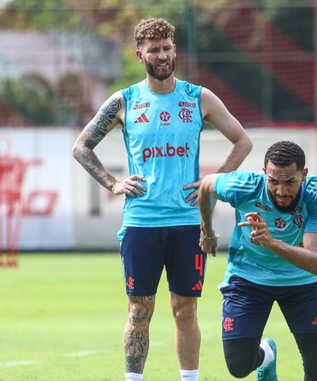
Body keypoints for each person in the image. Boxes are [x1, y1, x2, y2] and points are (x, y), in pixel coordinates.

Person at [72, 18, 253, 381]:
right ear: (141, 55)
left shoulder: (198, 97)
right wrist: (113, 184)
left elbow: (243, 141)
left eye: (167, 47)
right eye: (154, 49)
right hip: (141, 222)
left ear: (175, 50)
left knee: (185, 310)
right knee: (139, 311)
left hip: (188, 222)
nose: (162, 55)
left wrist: (213, 183)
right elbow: (81, 147)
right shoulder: (125, 101)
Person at [198, 141, 317, 381]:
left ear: (303, 175)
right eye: (274, 181)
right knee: (239, 366)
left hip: (301, 282)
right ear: (264, 174)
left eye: (290, 182)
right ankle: (267, 355)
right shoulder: (244, 186)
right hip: (248, 277)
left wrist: (272, 243)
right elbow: (207, 185)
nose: (281, 191)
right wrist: (207, 231)